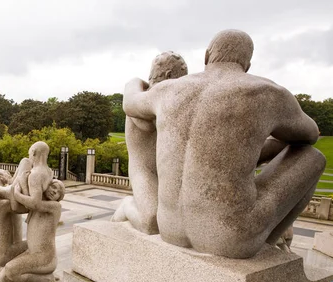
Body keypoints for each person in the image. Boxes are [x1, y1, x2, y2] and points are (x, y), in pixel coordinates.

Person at [123, 29, 325, 258]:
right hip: (231, 239)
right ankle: (266, 244)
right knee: (313, 157)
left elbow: (130, 102)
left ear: (207, 56)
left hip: (170, 228)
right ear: (247, 65)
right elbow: (309, 135)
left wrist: (133, 81)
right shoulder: (267, 93)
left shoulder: (168, 90)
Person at [112, 51, 188, 233]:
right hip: (144, 171)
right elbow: (151, 122)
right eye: (183, 77)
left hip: (169, 174)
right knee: (151, 221)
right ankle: (126, 205)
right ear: (170, 76)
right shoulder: (144, 101)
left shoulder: (157, 99)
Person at [0, 179, 65, 282]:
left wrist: (17, 193)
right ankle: (39, 274)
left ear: (59, 198)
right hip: (32, 252)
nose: (54, 191)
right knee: (2, 279)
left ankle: (46, 281)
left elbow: (35, 204)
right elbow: (16, 207)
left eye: (58, 192)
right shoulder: (35, 204)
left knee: (10, 270)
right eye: (53, 187)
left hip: (45, 257)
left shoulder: (55, 207)